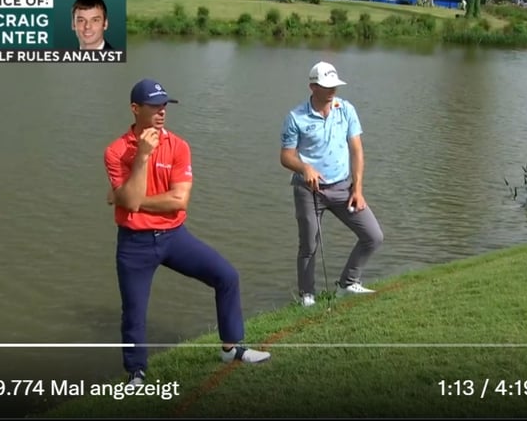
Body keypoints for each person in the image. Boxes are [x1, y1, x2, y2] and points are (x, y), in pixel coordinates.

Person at [104, 78, 271, 387]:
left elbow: (177, 199)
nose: (162, 111)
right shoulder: (116, 151)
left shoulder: (178, 146)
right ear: (135, 108)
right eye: (154, 106)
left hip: (173, 236)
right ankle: (136, 373)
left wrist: (131, 200)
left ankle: (231, 348)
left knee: (226, 276)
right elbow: (128, 199)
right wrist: (141, 157)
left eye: (165, 105)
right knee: (134, 311)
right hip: (134, 243)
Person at [279, 62, 384, 307]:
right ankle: (307, 295)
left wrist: (357, 189)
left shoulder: (346, 110)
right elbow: (286, 156)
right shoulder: (296, 117)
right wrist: (305, 168)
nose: (332, 90)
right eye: (326, 86)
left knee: (373, 235)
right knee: (309, 243)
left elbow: (357, 151)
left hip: (342, 188)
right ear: (312, 87)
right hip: (309, 190)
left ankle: (347, 283)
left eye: (334, 85)